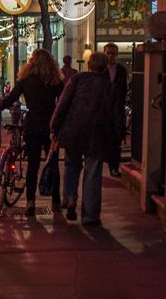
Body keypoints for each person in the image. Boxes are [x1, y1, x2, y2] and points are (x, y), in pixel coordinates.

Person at [51, 51, 124, 225]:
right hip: (97, 134)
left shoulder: (77, 80)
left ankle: (70, 198)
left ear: (89, 65)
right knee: (92, 172)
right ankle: (90, 215)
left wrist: (54, 126)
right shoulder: (110, 87)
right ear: (105, 66)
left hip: (74, 130)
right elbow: (117, 116)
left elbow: (63, 104)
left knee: (72, 165)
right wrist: (118, 136)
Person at [0, 49, 64, 215]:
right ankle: (56, 200)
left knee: (33, 166)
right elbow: (64, 101)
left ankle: (30, 201)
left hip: (33, 124)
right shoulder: (55, 80)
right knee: (52, 164)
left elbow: (12, 97)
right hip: (50, 125)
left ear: (32, 62)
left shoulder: (26, 80)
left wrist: (0, 103)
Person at [103, 43, 129, 177]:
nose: (110, 56)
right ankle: (108, 163)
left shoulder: (121, 70)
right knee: (106, 139)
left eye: (113, 53)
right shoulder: (101, 70)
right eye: (108, 53)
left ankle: (114, 166)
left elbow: (124, 89)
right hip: (104, 110)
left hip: (117, 109)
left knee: (116, 140)